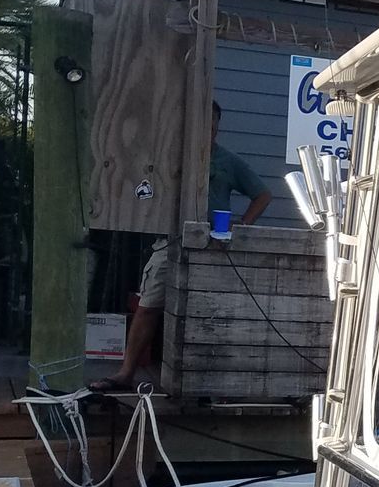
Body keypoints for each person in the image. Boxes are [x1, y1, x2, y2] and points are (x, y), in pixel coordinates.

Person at [93, 102, 271, 390]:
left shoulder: (228, 161)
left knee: (208, 313)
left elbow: (263, 195)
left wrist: (242, 224)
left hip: (212, 247)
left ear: (217, 128)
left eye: (212, 126)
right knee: (148, 305)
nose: (207, 131)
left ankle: (205, 383)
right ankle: (126, 373)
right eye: (202, 126)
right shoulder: (169, 155)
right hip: (171, 242)